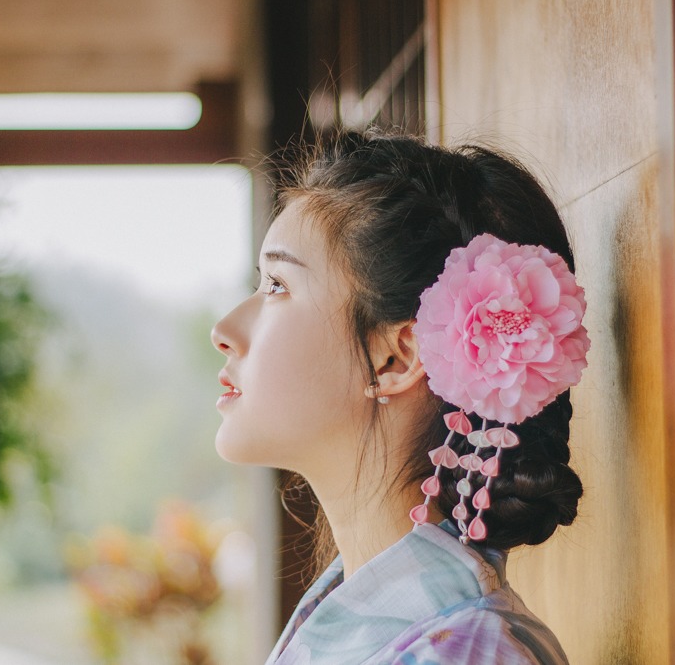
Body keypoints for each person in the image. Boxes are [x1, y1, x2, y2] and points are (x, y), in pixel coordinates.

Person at [211, 130, 590, 665]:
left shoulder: (464, 652)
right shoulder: (422, 631)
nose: (224, 330)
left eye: (277, 285)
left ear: (396, 358)